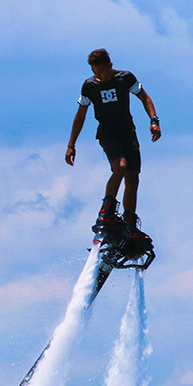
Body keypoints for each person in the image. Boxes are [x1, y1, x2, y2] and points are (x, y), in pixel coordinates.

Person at [65, 48, 160, 248]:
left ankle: (129, 224)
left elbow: (145, 98)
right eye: (94, 72)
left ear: (110, 65)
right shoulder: (89, 86)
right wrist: (71, 144)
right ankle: (107, 210)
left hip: (128, 132)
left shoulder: (125, 78)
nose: (97, 76)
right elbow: (81, 115)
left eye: (100, 71)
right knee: (121, 166)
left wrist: (154, 121)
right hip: (108, 133)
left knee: (133, 178)